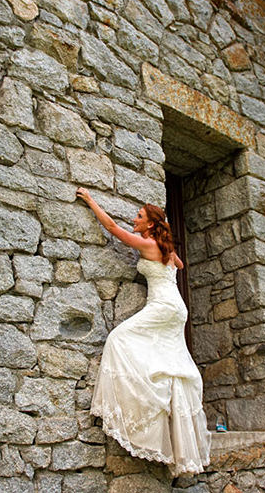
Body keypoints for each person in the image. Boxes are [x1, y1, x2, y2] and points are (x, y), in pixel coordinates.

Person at [76, 187, 211, 476]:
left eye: (139, 216)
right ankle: (166, 417)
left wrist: (90, 200)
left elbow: (112, 228)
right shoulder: (165, 248)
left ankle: (146, 409)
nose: (134, 219)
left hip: (163, 306)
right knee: (169, 364)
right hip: (176, 309)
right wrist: (166, 236)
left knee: (118, 339)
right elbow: (180, 265)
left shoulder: (149, 245)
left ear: (150, 224)